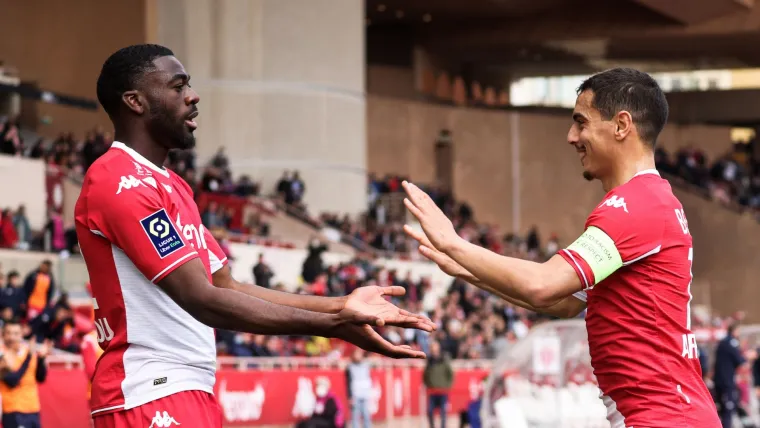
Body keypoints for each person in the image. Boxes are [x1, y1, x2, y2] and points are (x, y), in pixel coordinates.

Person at [76, 44, 435, 428]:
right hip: (149, 392)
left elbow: (227, 286)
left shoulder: (174, 186)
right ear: (135, 101)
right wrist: (332, 326)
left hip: (187, 387)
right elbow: (202, 299)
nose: (193, 96)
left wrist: (340, 305)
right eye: (178, 86)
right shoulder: (118, 180)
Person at [402, 67, 720, 427]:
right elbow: (564, 302)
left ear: (621, 125)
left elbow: (543, 285)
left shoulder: (637, 205)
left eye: (581, 122)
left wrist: (454, 243)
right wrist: (467, 269)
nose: (571, 137)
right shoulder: (649, 202)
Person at [0, 319, 52, 428]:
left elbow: (40, 378)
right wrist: (29, 357)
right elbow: (12, 381)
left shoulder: (27, 351)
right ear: (3, 335)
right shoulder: (2, 355)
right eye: (8, 333)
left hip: (33, 407)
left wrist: (41, 359)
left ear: (21, 334)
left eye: (16, 333)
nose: (12, 337)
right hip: (13, 409)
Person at [713, 323, 750, 428]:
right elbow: (740, 361)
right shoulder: (731, 343)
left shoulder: (722, 342)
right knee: (727, 410)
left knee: (723, 409)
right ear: (734, 331)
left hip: (719, 380)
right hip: (726, 382)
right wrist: (747, 357)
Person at [423, 341, 453, 428]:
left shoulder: (444, 360)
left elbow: (450, 374)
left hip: (443, 391)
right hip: (432, 392)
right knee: (430, 411)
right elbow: (425, 375)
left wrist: (447, 385)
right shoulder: (429, 362)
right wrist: (428, 385)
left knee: (443, 412)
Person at [345, 348, 372, 428]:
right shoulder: (350, 367)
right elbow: (348, 383)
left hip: (365, 394)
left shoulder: (366, 364)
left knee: (366, 415)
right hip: (355, 394)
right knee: (355, 417)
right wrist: (350, 397)